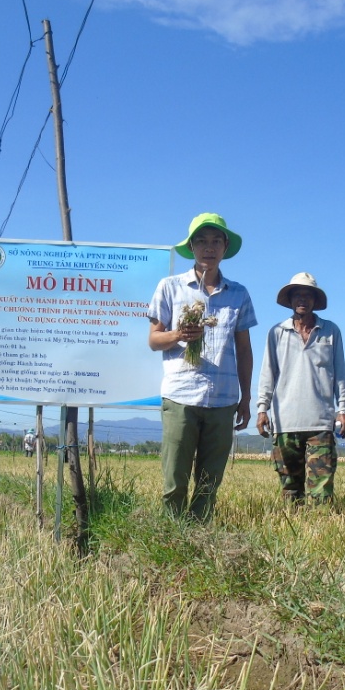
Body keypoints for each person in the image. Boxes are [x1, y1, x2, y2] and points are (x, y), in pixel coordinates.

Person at [148, 213, 257, 521]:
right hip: (181, 396)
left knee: (209, 484)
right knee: (175, 481)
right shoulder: (170, 287)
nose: (209, 248)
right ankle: (171, 538)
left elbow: (244, 348)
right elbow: (154, 339)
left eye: (215, 241)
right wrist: (179, 335)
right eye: (202, 241)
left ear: (224, 247)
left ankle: (199, 540)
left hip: (223, 399)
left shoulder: (239, 294)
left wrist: (246, 397)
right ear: (192, 247)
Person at [256, 273, 345, 505]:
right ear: (290, 300)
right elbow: (268, 372)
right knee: (290, 489)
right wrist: (262, 408)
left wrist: (343, 409)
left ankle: (321, 535)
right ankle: (293, 534)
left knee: (321, 491)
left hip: (320, 421)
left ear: (314, 301)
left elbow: (340, 373)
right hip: (285, 421)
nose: (302, 299)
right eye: (297, 294)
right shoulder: (277, 332)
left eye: (307, 295)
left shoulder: (330, 331)